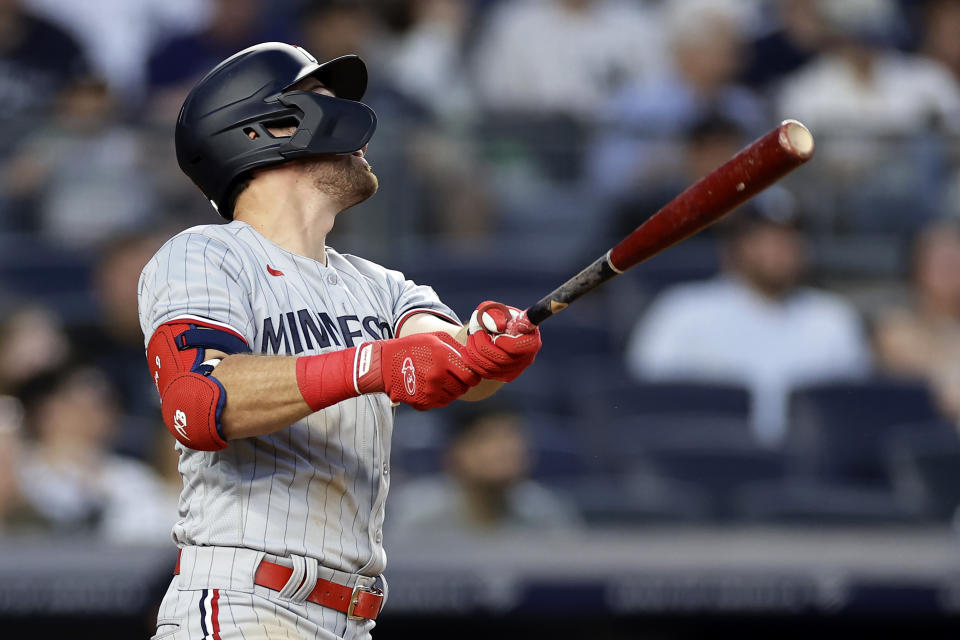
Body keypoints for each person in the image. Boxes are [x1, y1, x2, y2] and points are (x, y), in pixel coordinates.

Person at [139, 43, 542, 640]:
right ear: (265, 127)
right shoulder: (206, 254)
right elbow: (197, 402)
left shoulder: (379, 285)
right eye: (322, 100)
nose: (351, 119)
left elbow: (450, 361)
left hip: (351, 615)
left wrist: (491, 349)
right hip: (247, 599)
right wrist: (376, 363)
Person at [625, 205, 871, 446]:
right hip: (711, 460)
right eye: (764, 236)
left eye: (790, 236)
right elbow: (648, 403)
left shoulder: (832, 318)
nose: (779, 247)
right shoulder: (684, 310)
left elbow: (850, 415)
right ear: (733, 245)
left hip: (804, 467)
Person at [389, 405, 581, 535]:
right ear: (456, 451)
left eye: (512, 437)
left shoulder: (546, 513)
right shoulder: (418, 513)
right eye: (489, 438)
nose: (506, 449)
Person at [874, 220, 960, 422]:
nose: (951, 271)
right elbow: (936, 393)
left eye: (956, 261)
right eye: (942, 261)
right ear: (917, 266)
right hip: (923, 438)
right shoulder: (896, 328)